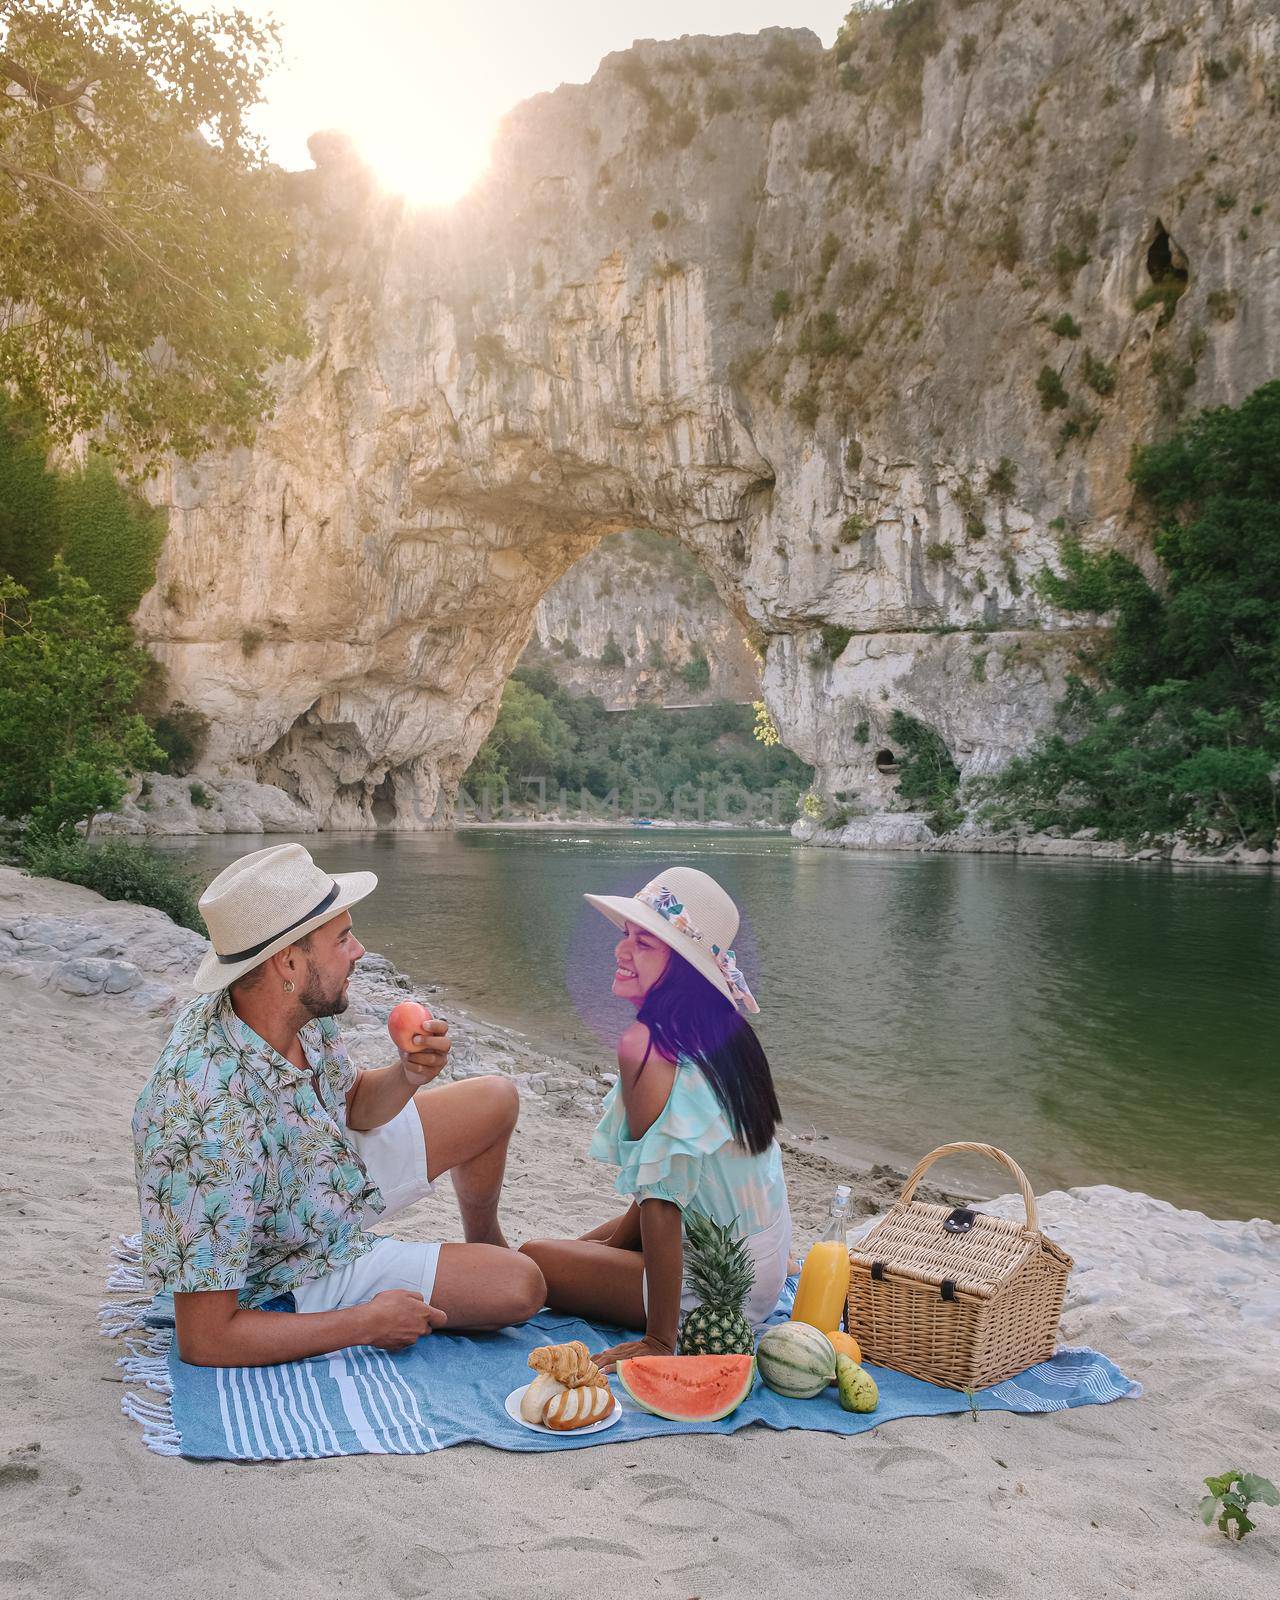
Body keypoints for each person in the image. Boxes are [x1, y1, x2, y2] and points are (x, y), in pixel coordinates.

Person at [132, 842, 545, 1366]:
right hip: (287, 1265)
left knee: (495, 1098)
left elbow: (352, 1106)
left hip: (316, 1180)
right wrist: (365, 1323)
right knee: (519, 1287)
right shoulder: (204, 1117)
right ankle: (464, 1268)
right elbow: (206, 1339)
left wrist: (408, 1074)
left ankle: (485, 1240)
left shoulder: (296, 1004)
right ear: (288, 961)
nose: (360, 951)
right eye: (343, 938)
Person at [520, 866, 791, 1368]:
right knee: (583, 1244)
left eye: (644, 944)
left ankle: (657, 1315)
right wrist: (598, 1250)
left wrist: (659, 1340)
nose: (621, 952)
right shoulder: (728, 1035)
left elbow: (664, 1205)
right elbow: (668, 1182)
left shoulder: (644, 1046)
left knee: (533, 1257)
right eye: (626, 935)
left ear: (683, 967)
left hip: (714, 1289)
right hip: (763, 1268)